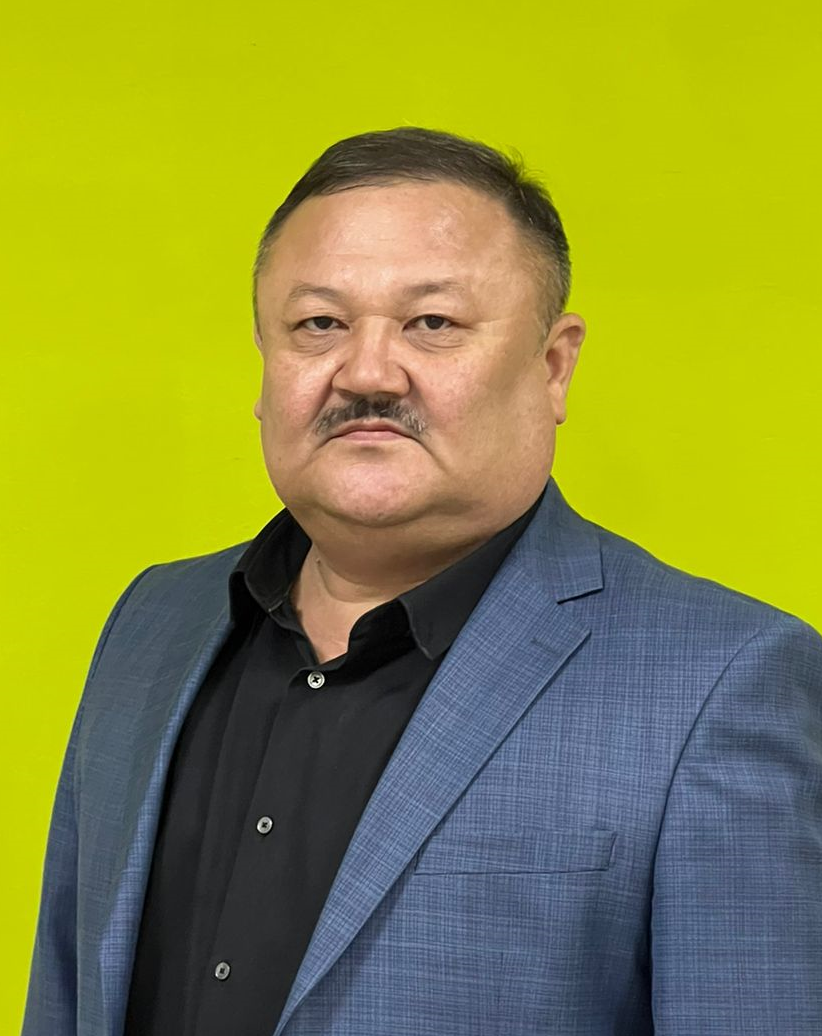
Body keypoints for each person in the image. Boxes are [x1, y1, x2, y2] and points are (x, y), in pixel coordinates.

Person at [22, 127, 822, 1036]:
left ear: (553, 365)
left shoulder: (723, 682)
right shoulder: (153, 622)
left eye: (432, 324)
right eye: (319, 325)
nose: (367, 372)